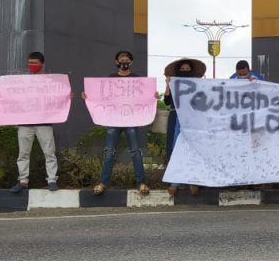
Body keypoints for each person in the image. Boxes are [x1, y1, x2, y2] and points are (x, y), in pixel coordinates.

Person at [82, 51, 150, 196]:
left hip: (131, 119)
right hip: (113, 119)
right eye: (121, 59)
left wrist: (153, 96)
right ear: (116, 62)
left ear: (131, 62)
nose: (124, 61)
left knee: (135, 151)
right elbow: (103, 96)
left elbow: (144, 96)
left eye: (127, 59)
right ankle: (104, 182)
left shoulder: (137, 79)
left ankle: (141, 183)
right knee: (109, 151)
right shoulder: (111, 78)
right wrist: (89, 97)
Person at [2, 52, 60, 193]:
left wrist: (65, 95)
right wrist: (1, 93)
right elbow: (11, 97)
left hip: (44, 122)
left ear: (42, 64)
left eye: (34, 63)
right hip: (25, 123)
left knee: (49, 152)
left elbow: (58, 96)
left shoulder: (50, 82)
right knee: (23, 153)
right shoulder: (22, 82)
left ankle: (52, 180)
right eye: (30, 63)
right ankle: (23, 181)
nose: (31, 65)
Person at [164, 58, 207, 197]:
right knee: (176, 147)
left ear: (192, 71)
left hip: (192, 119)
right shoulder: (173, 84)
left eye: (187, 69)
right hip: (176, 117)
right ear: (178, 71)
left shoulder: (198, 86)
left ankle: (192, 180)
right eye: (182, 69)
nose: (185, 71)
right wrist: (168, 85)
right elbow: (166, 101)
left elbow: (204, 101)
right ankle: (175, 182)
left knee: (192, 148)